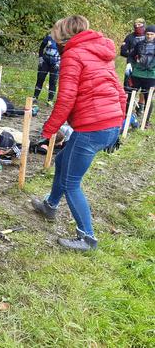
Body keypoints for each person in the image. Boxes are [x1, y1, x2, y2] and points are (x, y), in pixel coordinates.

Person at [30, 15, 126, 252]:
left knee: (72, 182)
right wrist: (119, 126)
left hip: (93, 127)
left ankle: (87, 237)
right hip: (108, 123)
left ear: (63, 36)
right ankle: (50, 206)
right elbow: (119, 92)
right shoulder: (100, 52)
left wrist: (48, 130)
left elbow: (65, 100)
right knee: (63, 160)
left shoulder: (73, 54)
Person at [128, 25, 155, 127]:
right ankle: (128, 118)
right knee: (130, 95)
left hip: (151, 75)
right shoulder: (139, 44)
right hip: (137, 74)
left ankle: (146, 122)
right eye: (147, 34)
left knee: (148, 98)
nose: (149, 36)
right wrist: (129, 64)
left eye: (152, 34)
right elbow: (131, 55)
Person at [120, 18, 146, 94]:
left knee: (145, 89)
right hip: (132, 65)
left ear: (143, 25)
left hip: (146, 66)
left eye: (139, 25)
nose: (137, 26)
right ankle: (127, 103)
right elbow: (123, 52)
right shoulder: (129, 37)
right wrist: (133, 55)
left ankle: (142, 105)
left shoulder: (149, 36)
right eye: (136, 25)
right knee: (128, 87)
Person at [33, 34, 61, 105]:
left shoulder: (64, 39)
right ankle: (35, 97)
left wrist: (59, 63)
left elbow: (64, 52)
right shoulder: (49, 37)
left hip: (55, 63)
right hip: (45, 62)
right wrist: (40, 58)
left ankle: (50, 100)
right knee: (40, 78)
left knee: (53, 81)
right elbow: (41, 47)